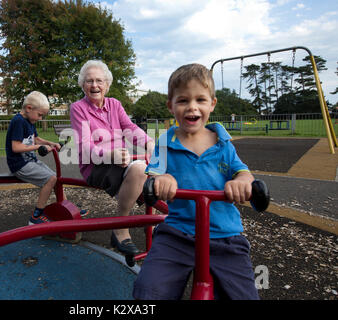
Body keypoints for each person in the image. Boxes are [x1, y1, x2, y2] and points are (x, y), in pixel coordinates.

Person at [133, 64, 259, 300]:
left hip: (225, 236)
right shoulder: (165, 141)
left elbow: (244, 173)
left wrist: (241, 182)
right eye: (183, 100)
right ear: (171, 105)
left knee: (244, 296)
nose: (192, 107)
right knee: (148, 291)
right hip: (178, 233)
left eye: (200, 99)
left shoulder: (223, 143)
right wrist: (162, 178)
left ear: (212, 104)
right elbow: (153, 175)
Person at [70, 60, 155, 256]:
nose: (94, 85)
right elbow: (84, 147)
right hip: (95, 165)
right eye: (89, 81)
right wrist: (109, 154)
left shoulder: (115, 104)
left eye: (99, 80)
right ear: (82, 85)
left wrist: (149, 143)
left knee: (153, 170)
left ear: (107, 84)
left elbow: (130, 128)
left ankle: (156, 222)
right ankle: (120, 229)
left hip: (120, 161)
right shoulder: (78, 108)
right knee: (140, 169)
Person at [5, 91, 63, 225]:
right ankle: (36, 216)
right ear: (29, 108)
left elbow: (36, 139)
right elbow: (16, 147)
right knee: (51, 179)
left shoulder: (29, 121)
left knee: (56, 178)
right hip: (19, 164)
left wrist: (51, 143)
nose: (40, 119)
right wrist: (38, 148)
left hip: (30, 161)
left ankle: (66, 205)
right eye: (40, 115)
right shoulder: (18, 121)